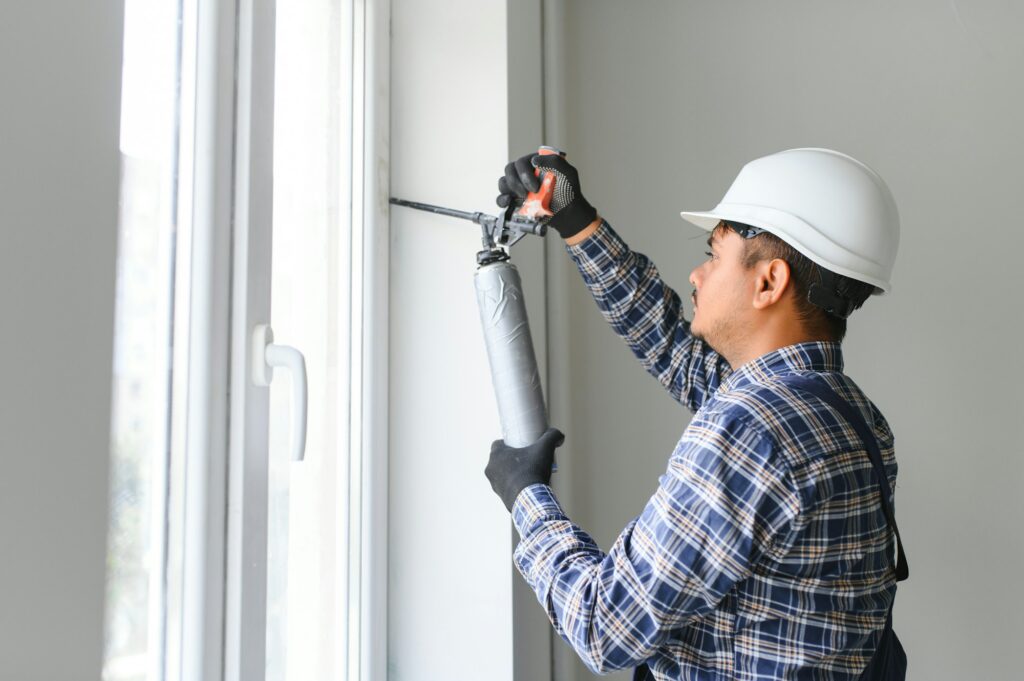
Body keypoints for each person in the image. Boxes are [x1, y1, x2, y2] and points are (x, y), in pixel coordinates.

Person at [484, 148, 905, 679]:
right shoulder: (849, 415)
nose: (697, 275)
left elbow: (604, 624)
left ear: (769, 282)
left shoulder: (751, 429)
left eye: (715, 254)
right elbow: (674, 350)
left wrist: (527, 497)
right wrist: (574, 217)